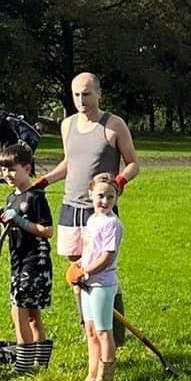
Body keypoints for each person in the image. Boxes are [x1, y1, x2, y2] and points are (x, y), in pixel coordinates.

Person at [31, 73, 140, 264]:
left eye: (86, 94)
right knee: (76, 270)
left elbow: (133, 164)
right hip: (70, 206)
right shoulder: (67, 124)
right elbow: (69, 163)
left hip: (98, 206)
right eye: (76, 95)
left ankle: (111, 295)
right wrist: (43, 182)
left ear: (99, 94)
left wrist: (120, 181)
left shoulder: (114, 125)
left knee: (100, 267)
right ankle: (80, 296)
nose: (81, 100)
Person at [0, 142, 54, 375]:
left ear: (27, 169)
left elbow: (47, 230)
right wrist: (2, 219)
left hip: (35, 262)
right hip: (18, 261)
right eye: (3, 170)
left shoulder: (35, 197)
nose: (6, 174)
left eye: (12, 169)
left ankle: (24, 365)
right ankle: (40, 362)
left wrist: (20, 221)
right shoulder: (11, 198)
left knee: (18, 309)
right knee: (31, 313)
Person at [71, 174, 123, 381]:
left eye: (110, 197)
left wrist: (85, 272)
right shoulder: (92, 220)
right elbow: (90, 250)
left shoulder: (112, 224)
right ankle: (92, 373)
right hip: (87, 282)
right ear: (90, 194)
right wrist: (78, 266)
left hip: (102, 283)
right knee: (90, 330)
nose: (105, 201)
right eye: (101, 195)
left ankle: (106, 375)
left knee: (103, 330)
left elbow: (106, 257)